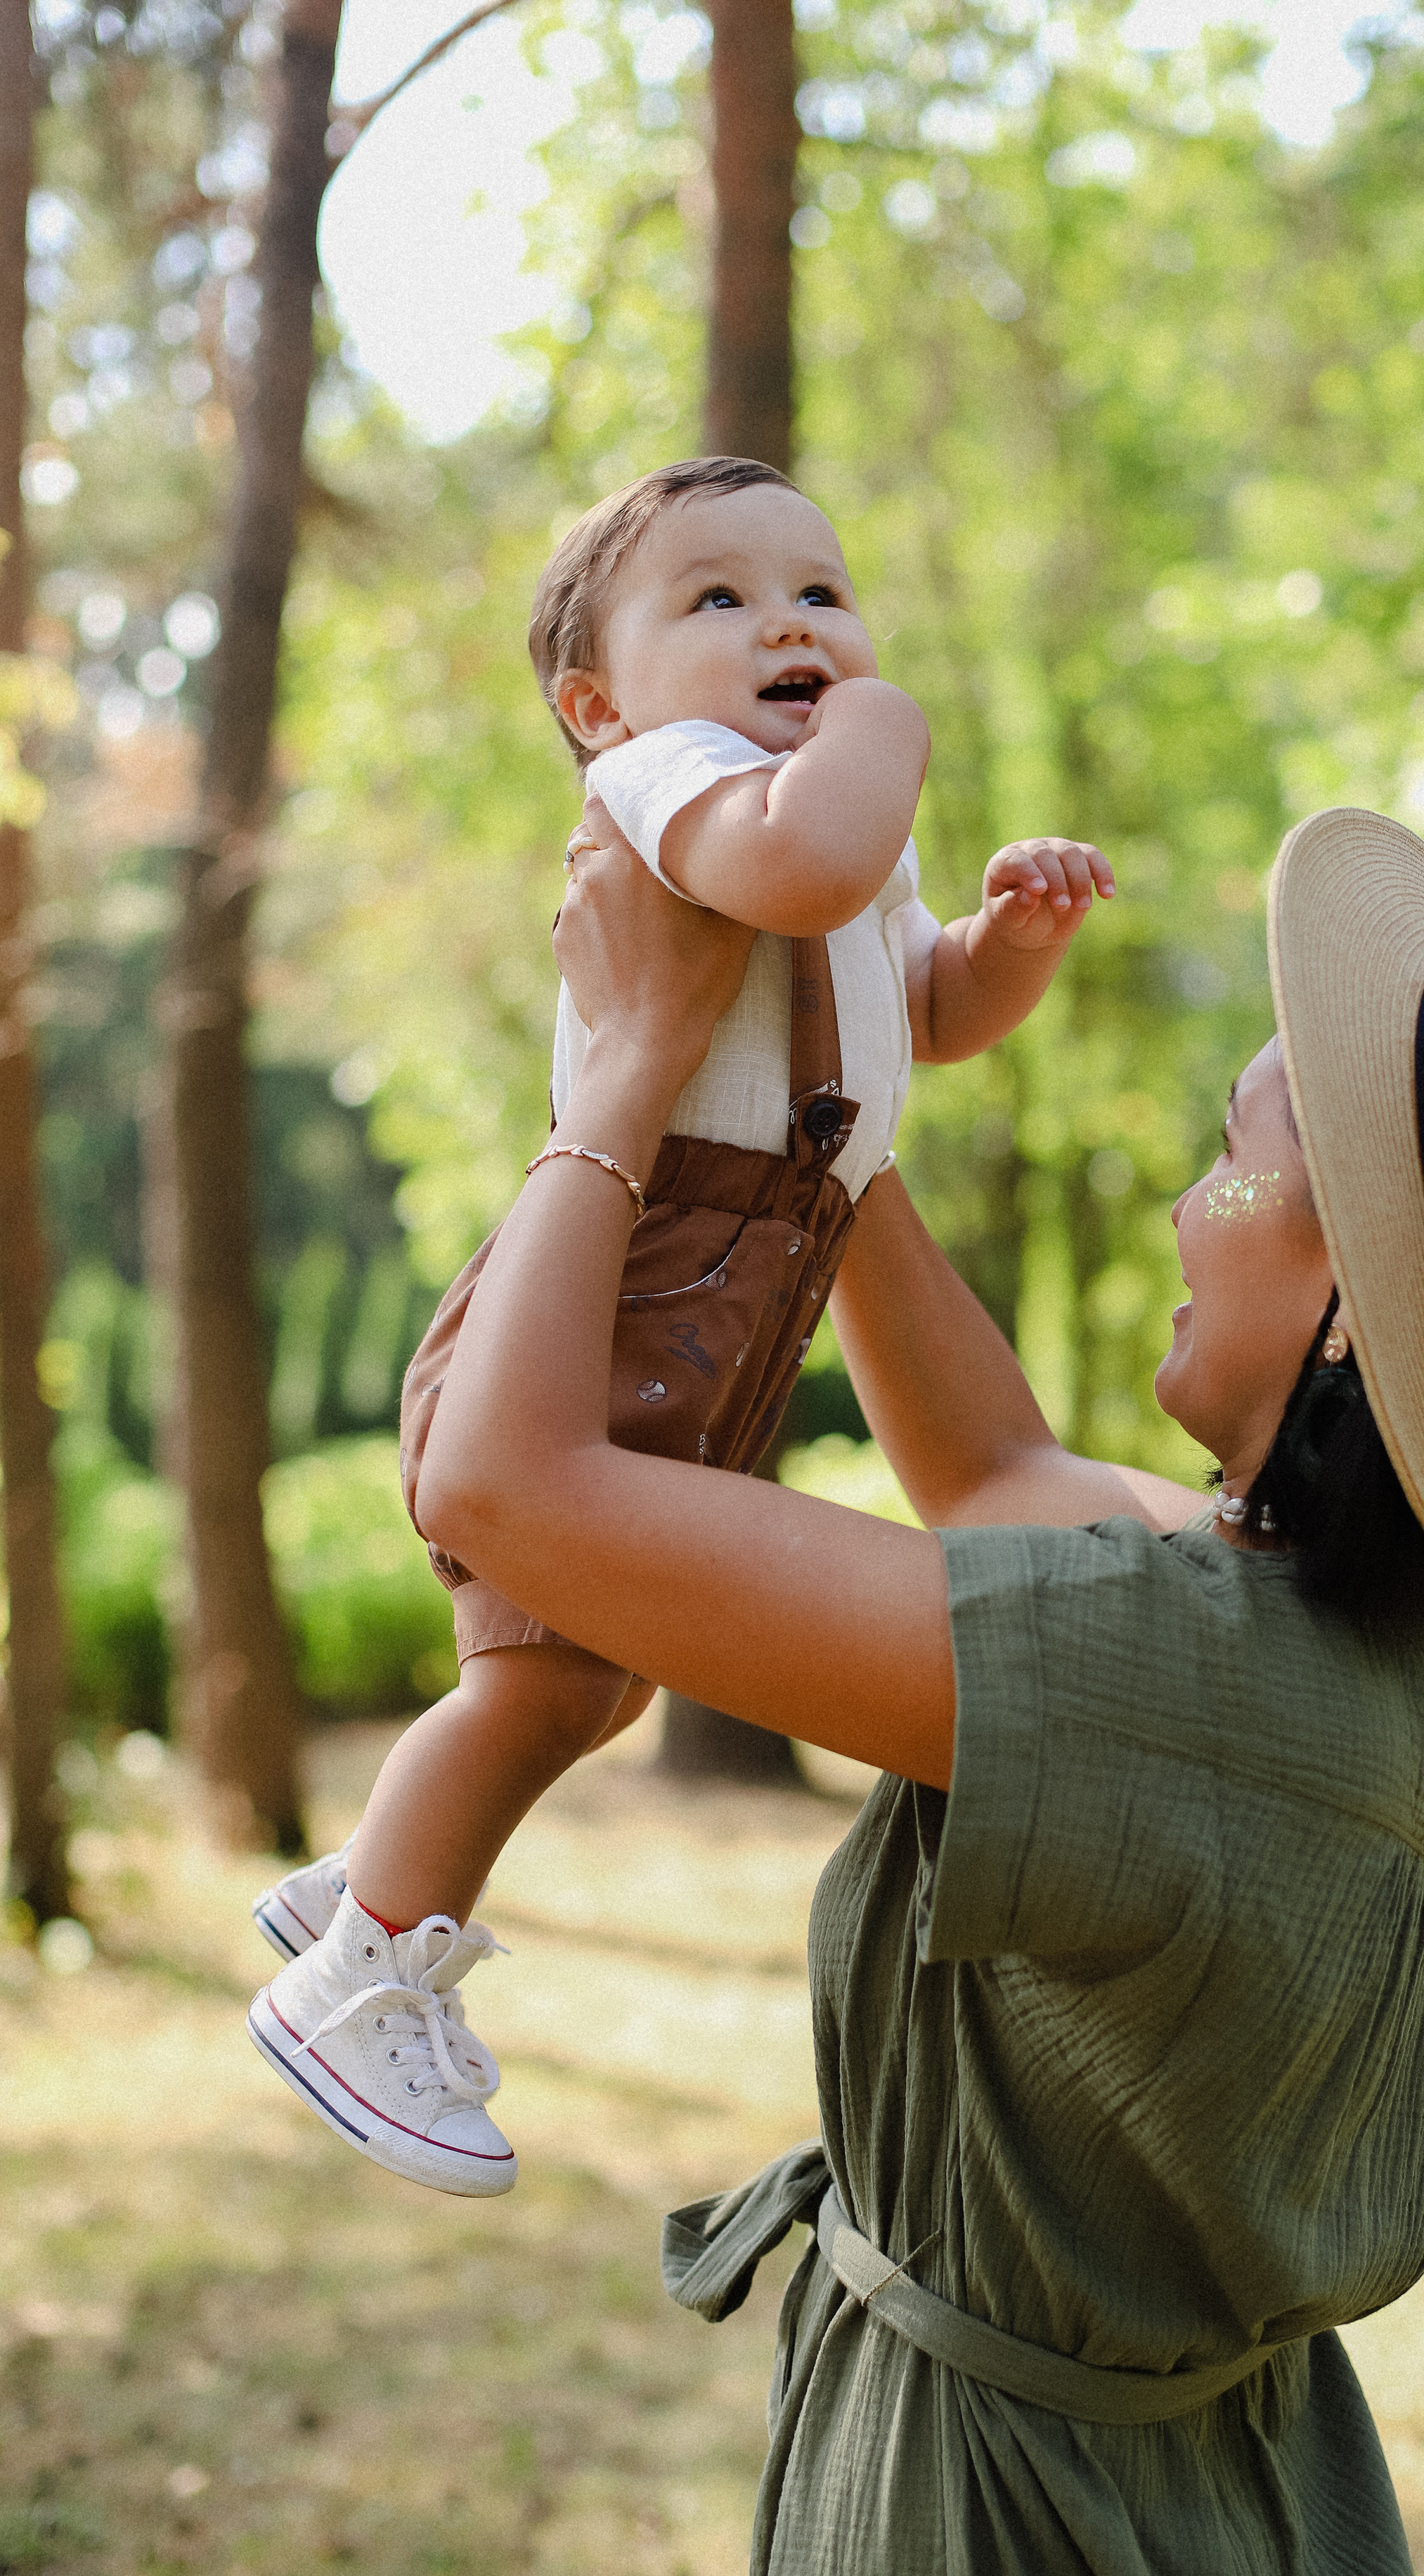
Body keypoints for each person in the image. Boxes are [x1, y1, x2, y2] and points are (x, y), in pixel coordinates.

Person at [391, 794, 1424, 2576]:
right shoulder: (1418, 1667)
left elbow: (511, 1488)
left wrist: (616, 1089)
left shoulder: (1167, 1680)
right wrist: (823, 1094)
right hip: (1245, 2541)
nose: (1188, 1207)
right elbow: (997, 1475)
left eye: (1237, 1160)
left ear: (1357, 1311)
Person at [247, 455, 1112, 2196]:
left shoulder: (826, 804)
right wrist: (889, 725)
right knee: (549, 1673)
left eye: (817, 589)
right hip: (624, 1287)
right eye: (715, 599)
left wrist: (1004, 941)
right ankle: (360, 1973)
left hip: (743, 1299)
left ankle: (364, 1883)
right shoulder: (676, 778)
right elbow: (801, 877)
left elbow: (915, 1011)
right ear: (594, 703)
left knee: (590, 1686)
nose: (788, 621)